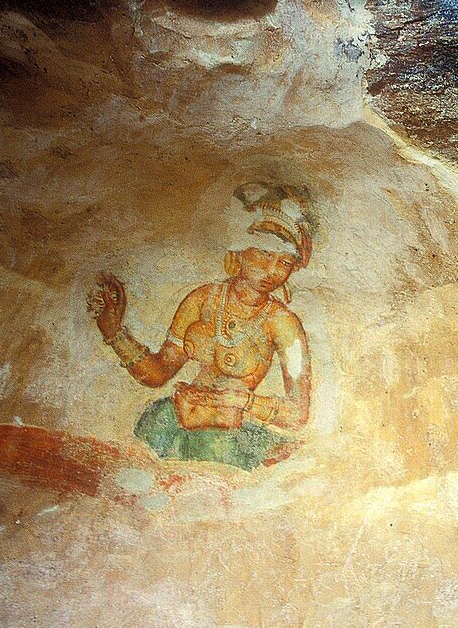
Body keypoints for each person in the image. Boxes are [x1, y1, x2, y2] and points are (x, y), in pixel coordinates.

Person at [88, 183, 313, 470]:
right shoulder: (204, 300)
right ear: (240, 251)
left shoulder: (283, 323)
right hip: (170, 424)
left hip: (229, 437)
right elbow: (158, 373)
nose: (273, 271)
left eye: (284, 262)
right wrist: (114, 333)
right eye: (264, 255)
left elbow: (298, 413)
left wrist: (242, 401)